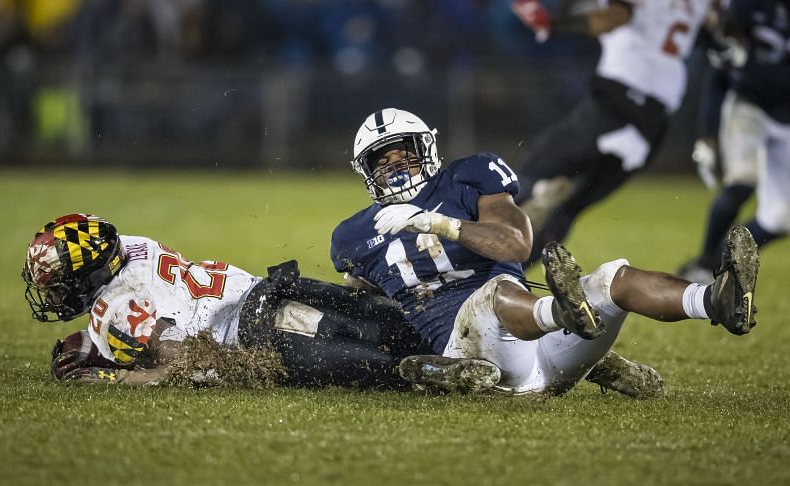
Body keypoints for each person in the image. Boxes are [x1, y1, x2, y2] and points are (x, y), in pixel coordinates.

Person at [330, 108, 759, 397]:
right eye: (382, 162)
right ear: (366, 173)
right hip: (476, 357)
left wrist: (437, 223)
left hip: (547, 343)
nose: (397, 167)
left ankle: (714, 301)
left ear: (428, 149)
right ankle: (566, 313)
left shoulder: (468, 176)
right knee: (494, 294)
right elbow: (370, 307)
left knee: (614, 279)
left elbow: (517, 244)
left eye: (405, 154)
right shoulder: (350, 236)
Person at [22, 213, 429, 390]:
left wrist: (119, 377)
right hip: (272, 287)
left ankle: (441, 372)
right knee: (400, 322)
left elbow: (186, 362)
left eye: (58, 283)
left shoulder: (112, 311)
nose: (55, 294)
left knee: (390, 368)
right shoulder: (130, 245)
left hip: (261, 335)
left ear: (87, 275)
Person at [510, 0, 713, 265]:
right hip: (652, 126)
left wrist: (552, 25)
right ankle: (513, 275)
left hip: (616, 104)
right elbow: (713, 29)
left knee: (525, 177)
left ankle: (471, 271)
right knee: (568, 209)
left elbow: (617, 14)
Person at [678, 0, 790, 283]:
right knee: (743, 180)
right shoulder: (745, 7)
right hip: (748, 104)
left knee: (780, 218)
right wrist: (708, 133)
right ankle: (704, 264)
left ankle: (716, 263)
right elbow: (720, 70)